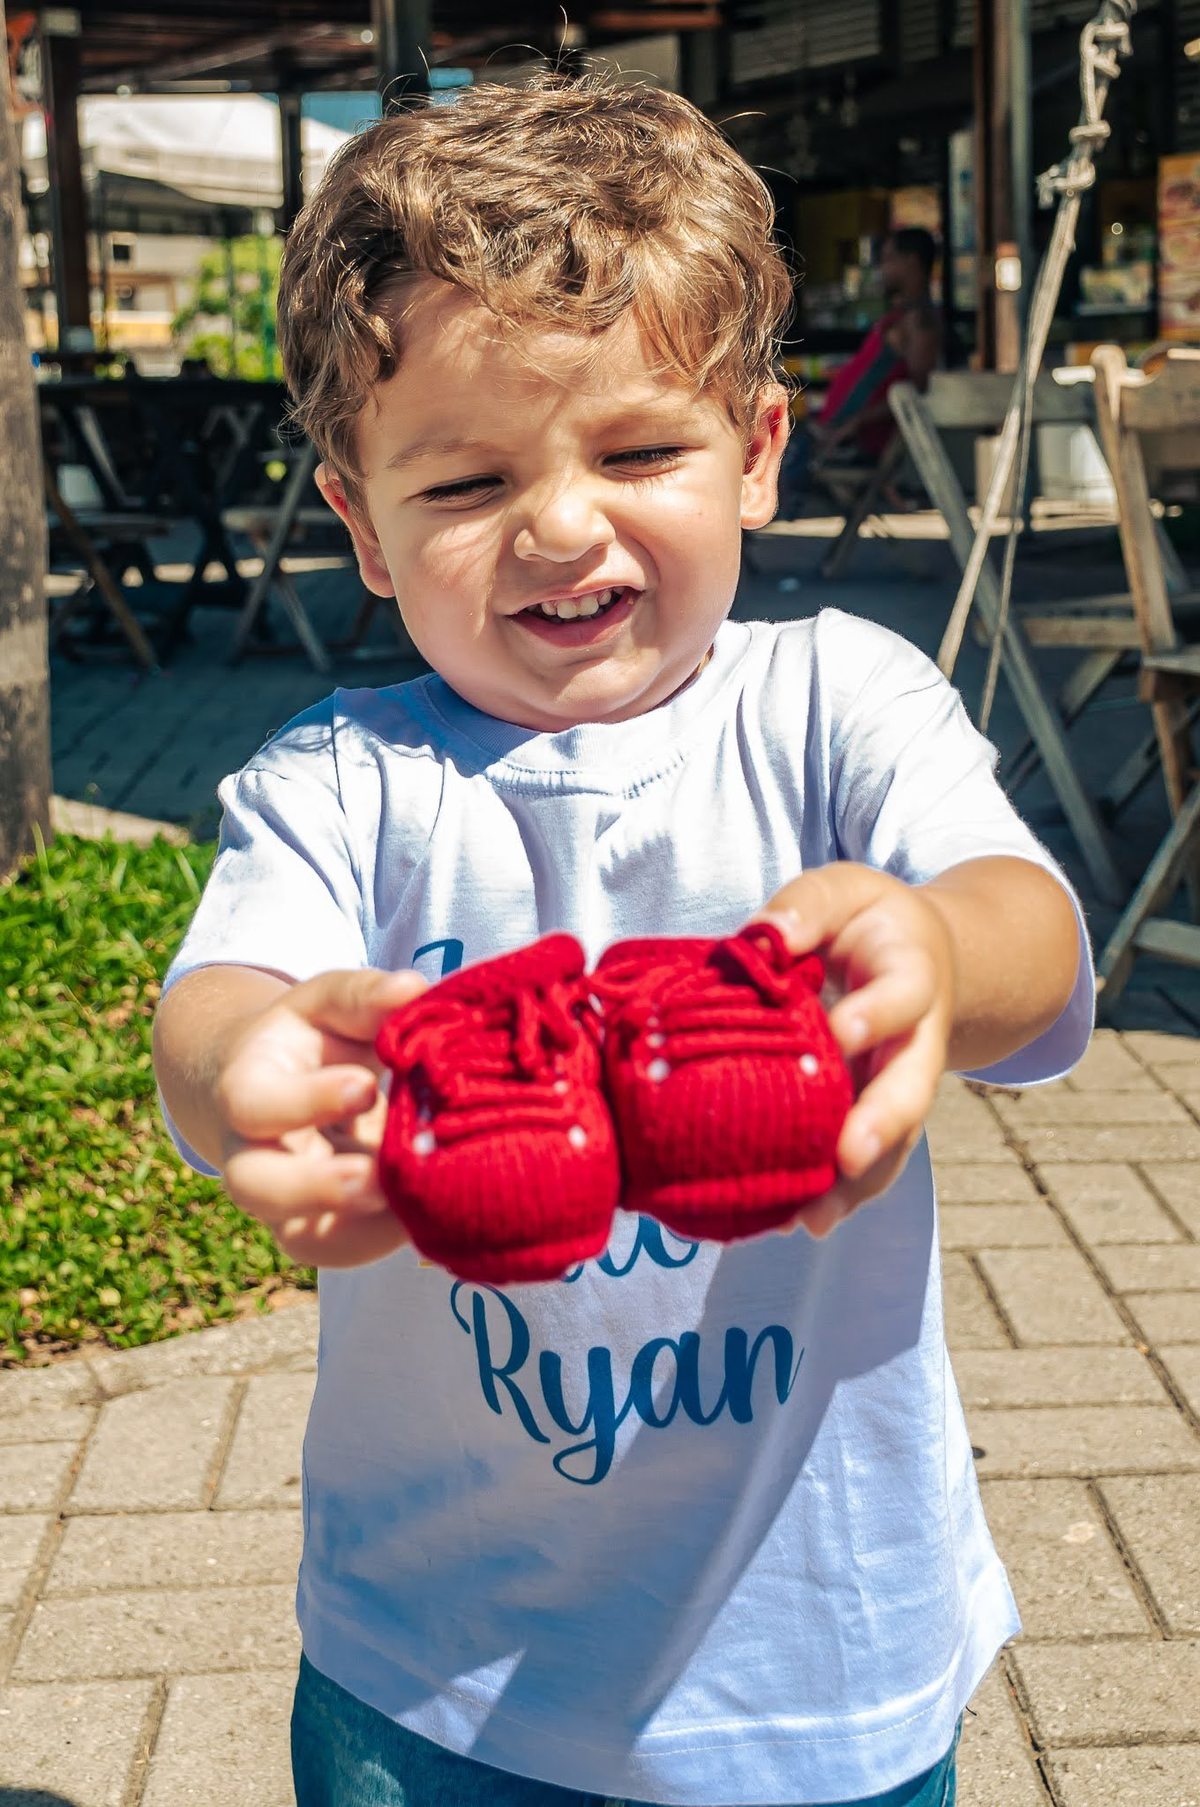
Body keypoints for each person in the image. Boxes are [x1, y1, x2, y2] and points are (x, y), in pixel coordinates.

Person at [152, 74, 1091, 1807]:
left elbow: (1024, 924)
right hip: (431, 1668)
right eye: (466, 480)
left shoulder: (838, 706)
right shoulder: (340, 784)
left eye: (641, 451)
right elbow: (221, 1009)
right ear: (360, 523)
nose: (563, 526)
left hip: (820, 1651)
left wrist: (938, 958)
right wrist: (251, 1071)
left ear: (758, 451)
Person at [777, 227, 943, 518]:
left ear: (912, 261)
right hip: (835, 433)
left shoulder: (920, 322)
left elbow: (916, 394)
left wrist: (854, 424)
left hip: (852, 442)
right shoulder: (901, 317)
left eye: (889, 259)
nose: (882, 269)